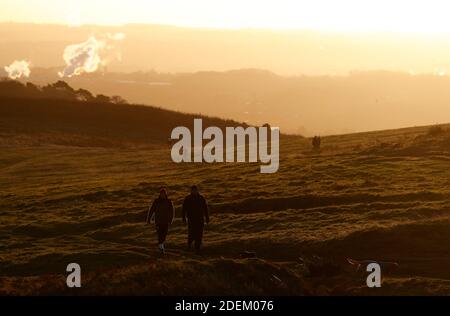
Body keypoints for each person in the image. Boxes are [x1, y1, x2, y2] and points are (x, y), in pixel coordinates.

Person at [146, 188, 175, 254]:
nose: (162, 195)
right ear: (160, 194)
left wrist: (171, 220)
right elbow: (151, 210)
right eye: (161, 193)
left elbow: (172, 211)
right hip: (158, 222)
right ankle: (161, 247)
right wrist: (149, 219)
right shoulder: (156, 201)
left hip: (166, 221)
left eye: (164, 193)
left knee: (164, 234)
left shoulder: (169, 201)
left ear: (165, 194)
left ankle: (161, 245)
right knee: (160, 234)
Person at [182, 185, 209, 252]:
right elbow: (184, 209)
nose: (194, 191)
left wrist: (207, 217)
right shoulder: (188, 198)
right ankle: (189, 245)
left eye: (195, 190)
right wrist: (184, 218)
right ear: (191, 191)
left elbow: (205, 208)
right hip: (191, 219)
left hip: (200, 219)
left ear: (197, 190)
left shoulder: (201, 198)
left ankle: (197, 247)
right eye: (193, 190)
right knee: (191, 233)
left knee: (199, 233)